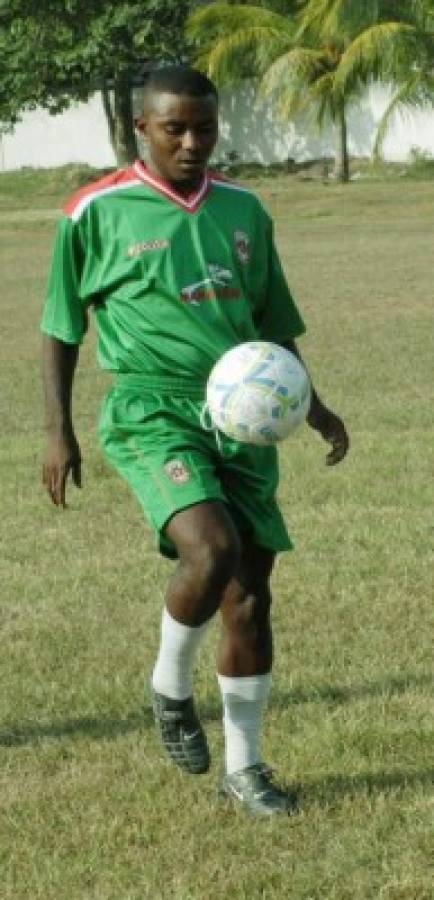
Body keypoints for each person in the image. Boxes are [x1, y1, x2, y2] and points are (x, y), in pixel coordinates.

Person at [41, 65, 349, 817]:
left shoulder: (245, 209)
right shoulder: (95, 210)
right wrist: (58, 430)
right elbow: (59, 326)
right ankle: (168, 686)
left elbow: (272, 323)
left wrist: (314, 407)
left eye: (204, 128)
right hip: (151, 409)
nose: (191, 141)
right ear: (140, 128)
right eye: (174, 128)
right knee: (210, 550)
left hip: (246, 419)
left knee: (249, 596)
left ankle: (245, 769)